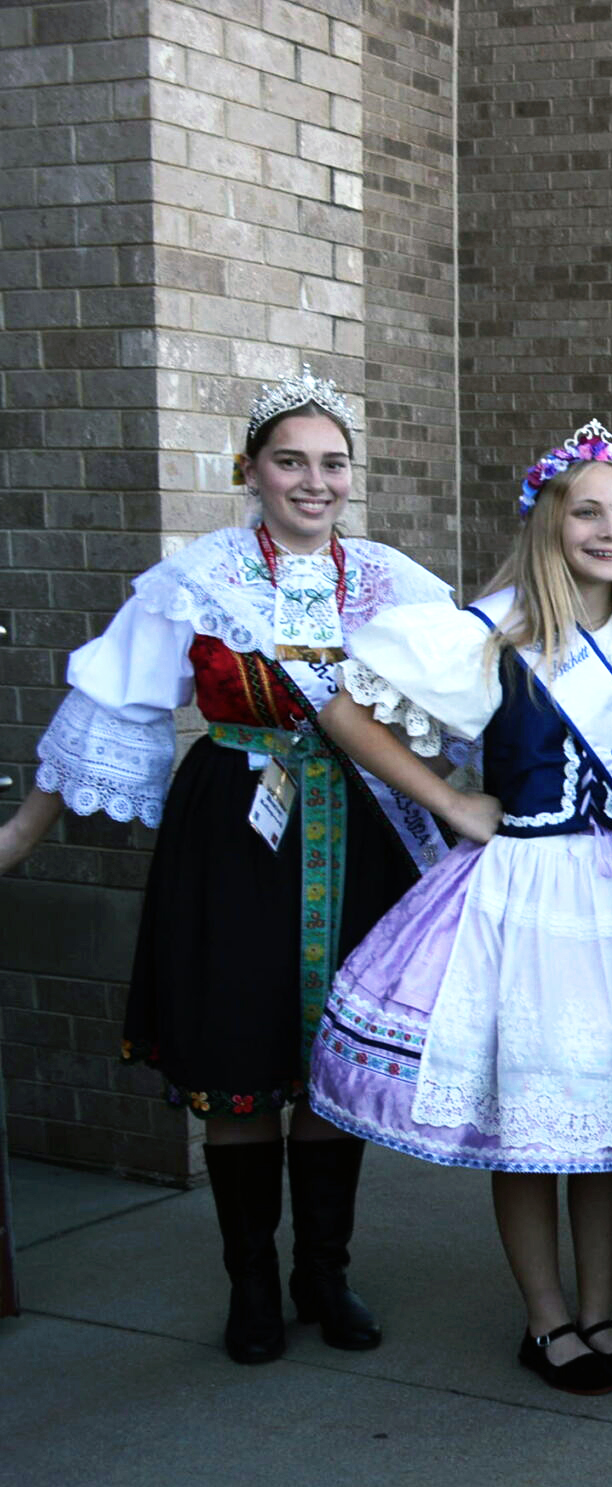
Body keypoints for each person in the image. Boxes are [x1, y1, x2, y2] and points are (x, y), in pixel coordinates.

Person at [0, 366, 495, 1365]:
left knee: (334, 1055)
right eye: (291, 462)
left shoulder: (397, 579)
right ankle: (252, 1284)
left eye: (332, 464)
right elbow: (106, 704)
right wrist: (20, 833)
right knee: (237, 1053)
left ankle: (326, 1272)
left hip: (360, 828)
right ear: (251, 470)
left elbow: (473, 696)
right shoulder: (196, 578)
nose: (314, 482)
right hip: (233, 825)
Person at [308, 422, 612, 1395]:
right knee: (532, 1125)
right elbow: (341, 705)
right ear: (549, 520)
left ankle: (602, 1312)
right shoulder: (491, 631)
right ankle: (547, 1321)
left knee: (605, 1125)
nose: (609, 531)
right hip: (529, 898)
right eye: (587, 511)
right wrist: (456, 803)